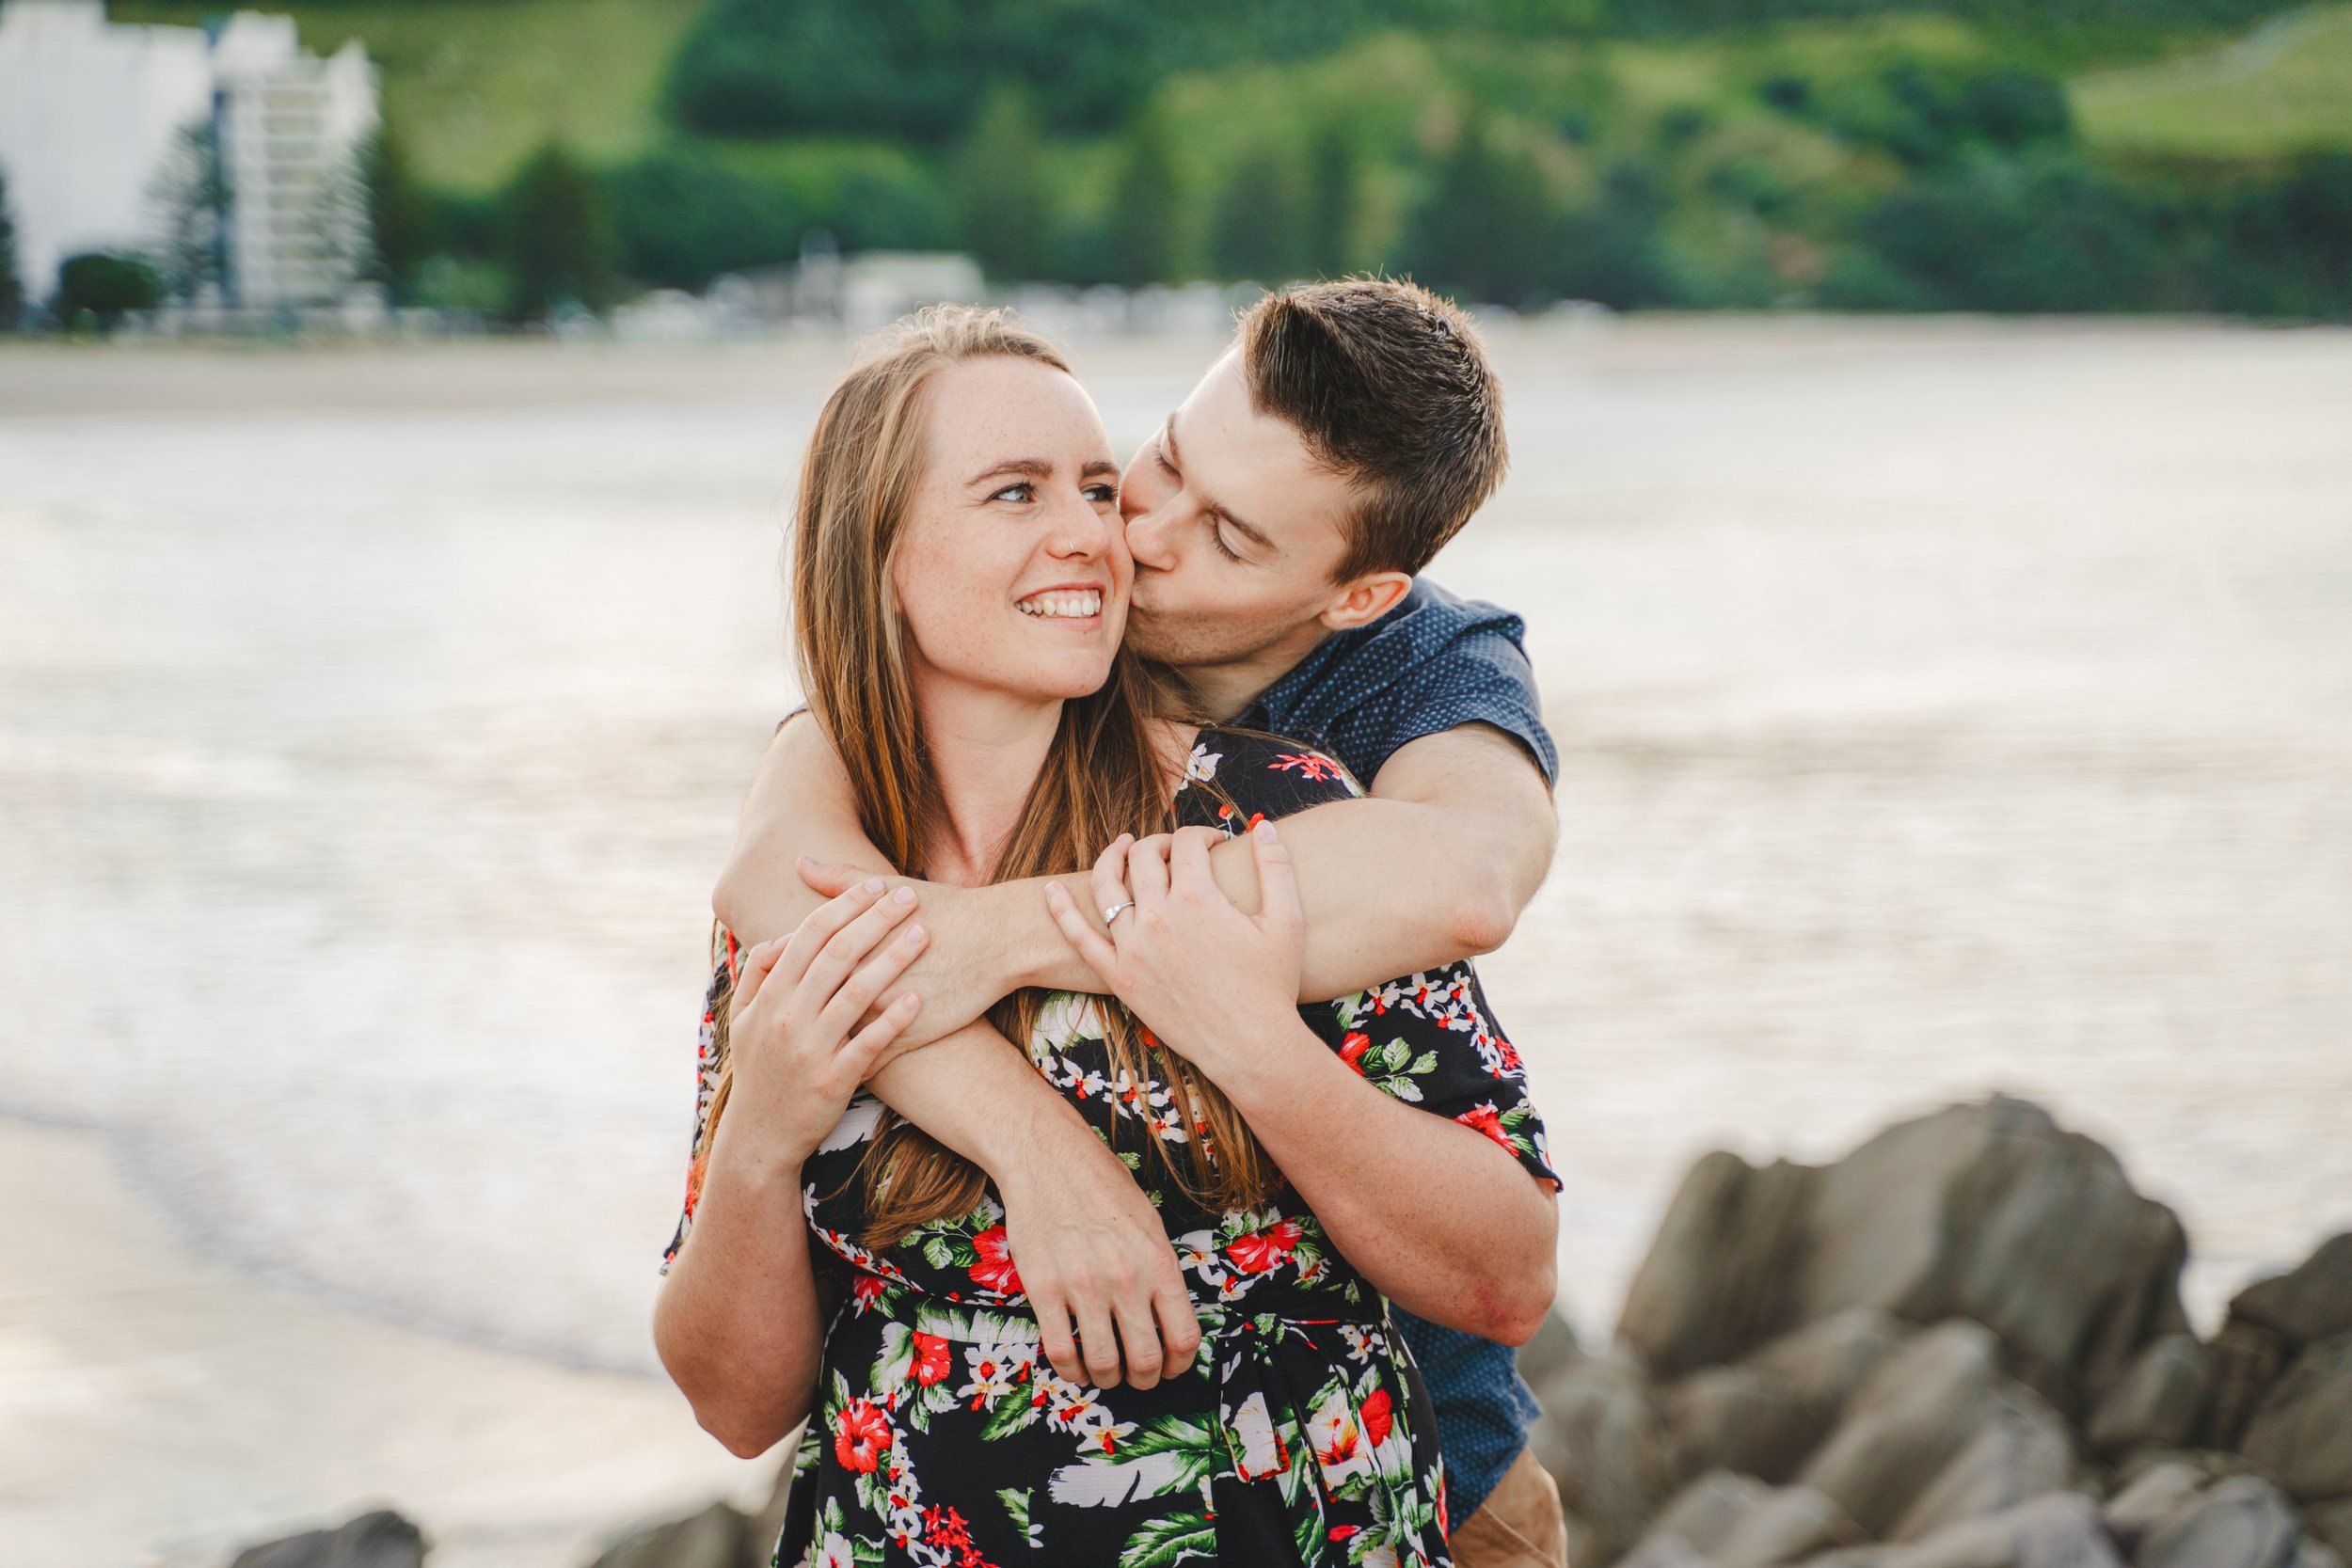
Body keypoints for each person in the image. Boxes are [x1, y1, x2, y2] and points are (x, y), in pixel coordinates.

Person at [654, 307, 1560, 1567]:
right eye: (1149, 468)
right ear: (881, 553)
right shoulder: (834, 859)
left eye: (1092, 485)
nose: (1119, 532)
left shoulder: (1321, 772)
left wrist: (1176, 999)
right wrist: (800, 1135)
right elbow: (738, 1404)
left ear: (1354, 592)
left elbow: (1469, 873)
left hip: (1412, 1472)